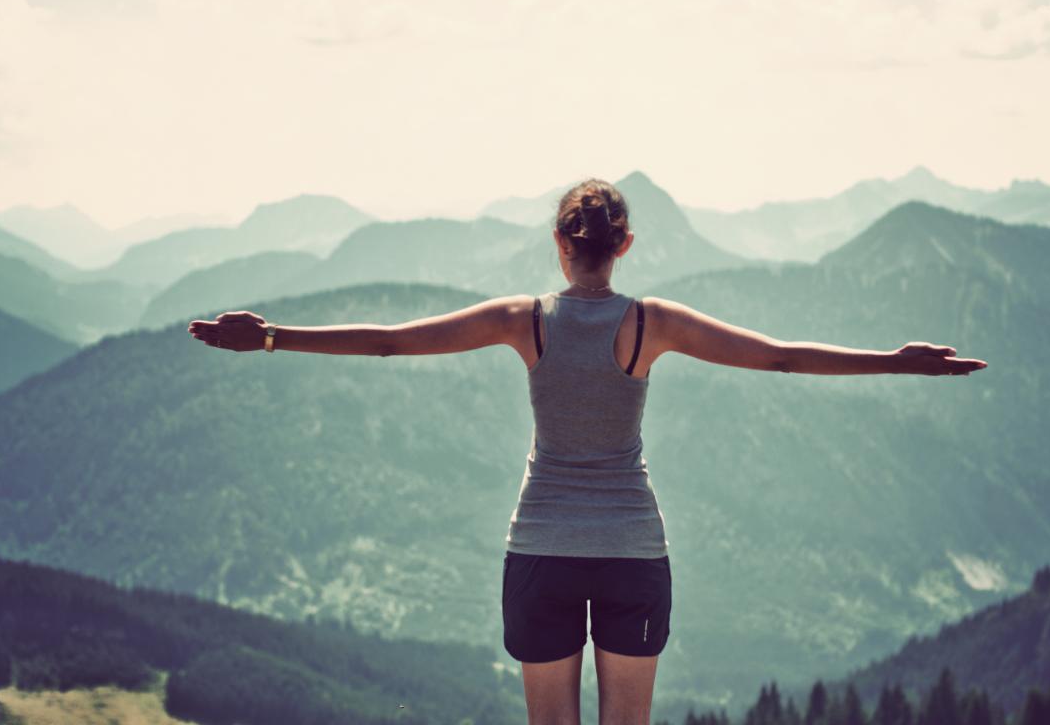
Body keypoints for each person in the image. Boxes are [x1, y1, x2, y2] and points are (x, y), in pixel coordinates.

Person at [188, 178, 988, 725]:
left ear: (559, 245)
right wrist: (894, 360)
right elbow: (779, 356)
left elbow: (393, 343)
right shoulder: (652, 322)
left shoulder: (521, 318)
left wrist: (272, 339)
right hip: (633, 551)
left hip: (538, 549)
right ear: (625, 244)